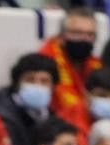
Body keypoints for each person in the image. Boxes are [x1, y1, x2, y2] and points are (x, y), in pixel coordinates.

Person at [0, 53, 58, 145]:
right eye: (30, 80)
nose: (37, 86)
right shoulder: (2, 116)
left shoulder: (51, 116)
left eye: (44, 81)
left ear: (53, 87)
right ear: (17, 84)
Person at [37, 7, 100, 135]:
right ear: (62, 35)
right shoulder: (46, 60)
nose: (84, 39)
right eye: (77, 33)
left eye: (90, 35)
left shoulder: (93, 62)